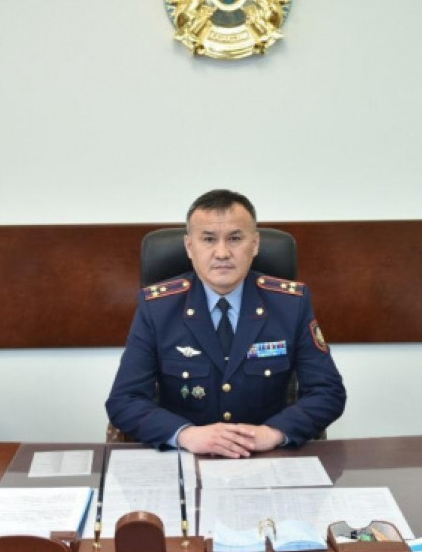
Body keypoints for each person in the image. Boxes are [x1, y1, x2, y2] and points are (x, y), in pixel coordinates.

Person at [106, 189, 345, 457]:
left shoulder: (290, 305)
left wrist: (273, 433)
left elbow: (328, 392)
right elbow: (124, 401)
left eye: (235, 238)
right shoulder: (157, 309)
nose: (222, 253)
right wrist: (185, 435)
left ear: (255, 244)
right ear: (189, 247)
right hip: (186, 456)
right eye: (209, 239)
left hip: (266, 457)